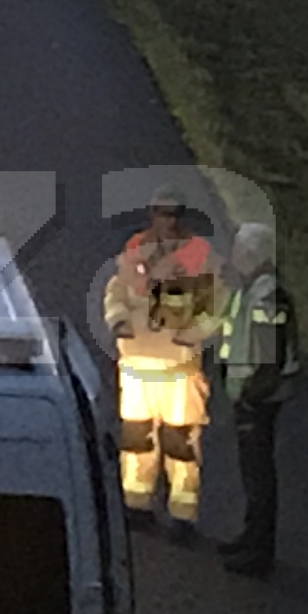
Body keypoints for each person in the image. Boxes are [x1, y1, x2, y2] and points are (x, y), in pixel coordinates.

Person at [99, 192, 220, 531]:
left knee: (179, 443)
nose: (167, 220)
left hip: (178, 370)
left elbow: (216, 303)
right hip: (137, 364)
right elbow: (116, 290)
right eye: (161, 213)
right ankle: (136, 504)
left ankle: (182, 514)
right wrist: (118, 320)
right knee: (136, 439)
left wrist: (195, 333)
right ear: (151, 214)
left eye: (174, 214)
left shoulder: (199, 256)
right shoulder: (135, 249)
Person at [215, 223, 296, 575]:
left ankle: (258, 552)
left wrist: (250, 394)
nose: (234, 258)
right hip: (252, 394)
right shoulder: (255, 290)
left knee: (259, 474)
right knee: (253, 472)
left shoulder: (267, 296)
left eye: (239, 252)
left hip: (259, 399)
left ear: (253, 255)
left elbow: (269, 353)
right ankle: (251, 539)